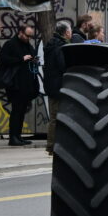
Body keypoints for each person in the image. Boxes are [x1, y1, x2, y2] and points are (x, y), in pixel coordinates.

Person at [0, 25, 39, 147]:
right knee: (16, 110)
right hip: (15, 84)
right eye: (27, 35)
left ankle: (18, 136)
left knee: (21, 110)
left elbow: (32, 53)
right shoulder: (10, 44)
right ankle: (13, 137)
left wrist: (33, 59)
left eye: (30, 36)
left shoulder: (26, 44)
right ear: (20, 32)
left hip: (26, 83)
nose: (28, 38)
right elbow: (3, 59)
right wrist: (21, 59)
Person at [43, 22, 71, 156]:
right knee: (56, 117)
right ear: (66, 32)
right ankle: (52, 146)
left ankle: (53, 145)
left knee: (54, 117)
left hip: (51, 85)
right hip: (58, 85)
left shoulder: (51, 44)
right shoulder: (60, 47)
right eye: (70, 31)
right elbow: (62, 65)